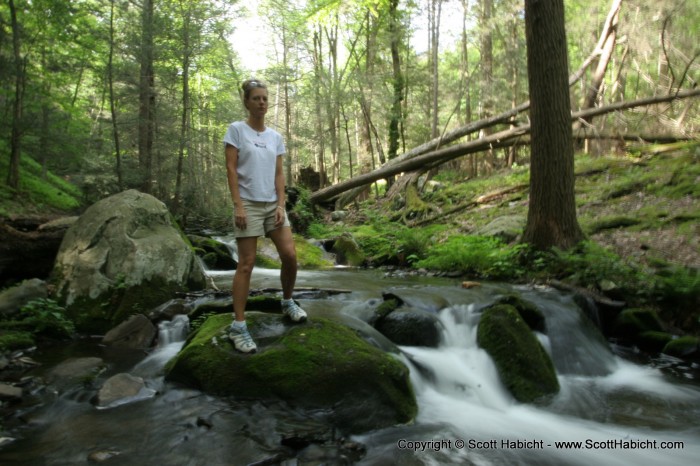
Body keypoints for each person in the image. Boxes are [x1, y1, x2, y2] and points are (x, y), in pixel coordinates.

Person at [223, 78, 307, 353]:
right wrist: (238, 205)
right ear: (246, 102)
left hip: (273, 204)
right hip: (248, 202)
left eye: (265, 98)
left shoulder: (275, 137)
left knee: (290, 256)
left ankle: (287, 301)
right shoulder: (236, 131)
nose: (261, 102)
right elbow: (231, 170)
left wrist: (281, 204)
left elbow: (279, 173)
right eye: (256, 98)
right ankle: (238, 326)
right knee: (246, 263)